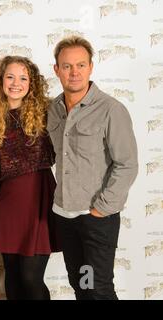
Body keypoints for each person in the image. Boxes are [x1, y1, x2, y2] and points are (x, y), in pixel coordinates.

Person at [48, 36, 138, 300]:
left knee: (97, 288)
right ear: (56, 69)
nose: (74, 72)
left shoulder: (111, 109)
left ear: (90, 67)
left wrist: (101, 208)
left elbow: (127, 163)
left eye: (80, 65)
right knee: (81, 285)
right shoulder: (53, 109)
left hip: (95, 219)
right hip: (64, 216)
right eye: (66, 66)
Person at [0, 56, 60, 300]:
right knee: (14, 277)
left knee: (31, 277)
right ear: (1, 81)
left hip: (38, 198)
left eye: (23, 78)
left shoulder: (48, 111)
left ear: (32, 84)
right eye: (10, 77)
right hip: (7, 201)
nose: (16, 83)